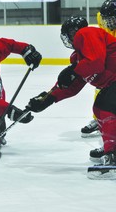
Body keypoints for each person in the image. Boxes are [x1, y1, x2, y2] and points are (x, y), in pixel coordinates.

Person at [26, 16, 116, 180]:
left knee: (104, 106)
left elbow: (95, 62)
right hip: (112, 85)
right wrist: (48, 98)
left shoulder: (87, 33)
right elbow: (73, 86)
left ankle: (113, 154)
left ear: (73, 32)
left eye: (68, 34)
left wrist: (73, 70)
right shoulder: (79, 58)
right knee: (102, 106)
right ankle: (112, 148)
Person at [83, 0, 116, 161]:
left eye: (111, 19)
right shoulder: (101, 18)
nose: (107, 22)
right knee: (103, 91)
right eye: (106, 19)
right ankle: (103, 123)